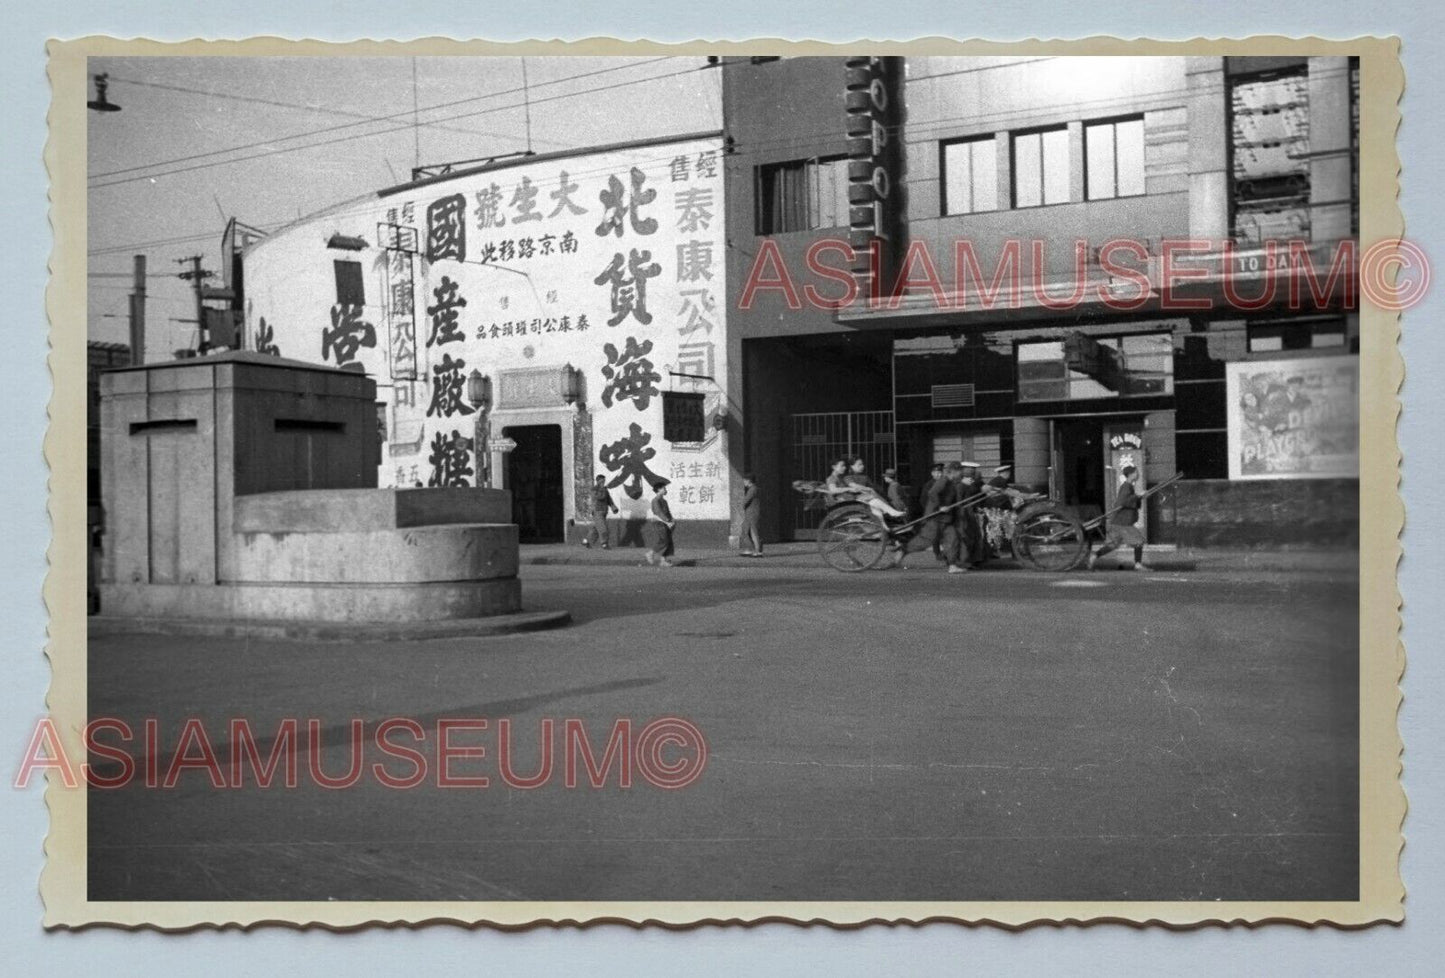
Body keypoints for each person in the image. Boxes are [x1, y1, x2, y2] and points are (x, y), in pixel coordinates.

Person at [893, 461, 970, 573]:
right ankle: (903, 550)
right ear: (954, 471)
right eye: (960, 472)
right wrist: (940, 507)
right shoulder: (943, 481)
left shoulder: (952, 482)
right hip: (935, 518)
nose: (961, 474)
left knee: (953, 540)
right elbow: (932, 493)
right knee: (925, 541)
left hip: (946, 519)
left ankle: (952, 565)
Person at [1088, 464, 1152, 571]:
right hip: (1123, 523)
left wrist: (1140, 497)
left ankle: (1094, 556)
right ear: (1131, 474)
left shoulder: (1128, 486)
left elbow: (1129, 500)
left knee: (1113, 545)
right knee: (1139, 541)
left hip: (1118, 522)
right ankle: (1138, 564)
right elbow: (1123, 501)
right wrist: (1138, 496)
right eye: (1136, 472)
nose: (1138, 474)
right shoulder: (1127, 486)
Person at [822, 457, 906, 522]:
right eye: (842, 466)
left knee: (874, 501)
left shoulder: (840, 478)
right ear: (833, 467)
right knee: (872, 497)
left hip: (849, 500)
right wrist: (849, 489)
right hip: (843, 503)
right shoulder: (831, 478)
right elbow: (833, 490)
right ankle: (892, 512)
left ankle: (890, 516)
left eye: (844, 466)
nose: (844, 468)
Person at [645, 480, 676, 568]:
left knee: (668, 541)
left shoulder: (664, 501)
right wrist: (667, 521)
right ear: (658, 490)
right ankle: (650, 553)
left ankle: (663, 561)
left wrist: (672, 519)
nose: (666, 489)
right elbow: (658, 513)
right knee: (664, 540)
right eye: (664, 488)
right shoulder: (655, 500)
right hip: (659, 523)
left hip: (666, 523)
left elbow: (667, 512)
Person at [584, 474, 617, 549]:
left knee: (596, 529)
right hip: (597, 511)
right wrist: (603, 490)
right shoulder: (594, 489)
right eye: (602, 481)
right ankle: (604, 544)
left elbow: (609, 499)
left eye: (604, 481)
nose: (603, 482)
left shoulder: (604, 490)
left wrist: (613, 507)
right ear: (598, 481)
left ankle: (586, 541)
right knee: (603, 528)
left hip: (604, 511)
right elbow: (600, 497)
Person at [739, 472, 763, 557]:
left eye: (745, 480)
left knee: (754, 532)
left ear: (749, 481)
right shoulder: (752, 489)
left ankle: (758, 551)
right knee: (745, 530)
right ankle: (750, 549)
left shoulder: (753, 489)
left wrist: (742, 504)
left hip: (753, 513)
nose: (744, 482)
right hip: (749, 513)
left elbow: (746, 500)